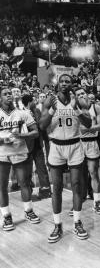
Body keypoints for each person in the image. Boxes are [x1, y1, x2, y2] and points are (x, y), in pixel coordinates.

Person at [39, 74, 92, 243]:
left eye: (67, 81)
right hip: (56, 146)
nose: (64, 84)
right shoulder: (49, 100)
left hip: (75, 145)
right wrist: (53, 110)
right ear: (57, 83)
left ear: (72, 83)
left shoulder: (78, 100)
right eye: (62, 81)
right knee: (57, 187)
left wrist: (76, 109)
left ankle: (77, 222)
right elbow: (42, 125)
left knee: (77, 185)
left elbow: (89, 124)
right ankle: (57, 224)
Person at [0, 87, 40, 231]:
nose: (8, 95)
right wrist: (3, 141)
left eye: (9, 93)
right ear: (0, 98)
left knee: (24, 183)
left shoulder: (22, 113)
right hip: (2, 154)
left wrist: (21, 136)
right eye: (5, 94)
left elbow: (35, 132)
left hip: (19, 151)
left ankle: (28, 211)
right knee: (2, 186)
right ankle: (6, 216)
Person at [75, 89, 100, 215]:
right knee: (77, 175)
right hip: (78, 143)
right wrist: (90, 128)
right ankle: (77, 202)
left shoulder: (96, 107)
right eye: (78, 94)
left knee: (93, 172)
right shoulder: (73, 109)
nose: (81, 95)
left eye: (83, 93)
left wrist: (87, 128)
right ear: (76, 98)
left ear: (87, 95)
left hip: (92, 142)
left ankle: (97, 203)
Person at [21, 94, 51, 199]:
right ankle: (28, 190)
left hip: (38, 143)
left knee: (41, 167)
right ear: (30, 102)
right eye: (33, 100)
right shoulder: (20, 112)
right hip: (26, 145)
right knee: (27, 169)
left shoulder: (37, 111)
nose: (35, 101)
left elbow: (41, 126)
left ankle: (46, 190)